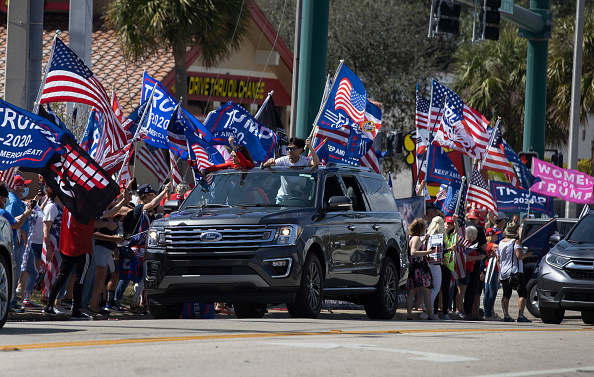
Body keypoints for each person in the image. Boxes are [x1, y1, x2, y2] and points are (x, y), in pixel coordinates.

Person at [5, 175, 33, 310]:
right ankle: (11, 302)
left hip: (21, 240)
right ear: (15, 186)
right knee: (14, 272)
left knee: (18, 270)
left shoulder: (18, 201)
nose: (25, 188)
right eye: (23, 185)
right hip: (16, 240)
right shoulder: (13, 202)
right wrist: (21, 230)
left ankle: (13, 301)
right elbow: (11, 221)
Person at [497, 221, 532, 323]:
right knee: (522, 293)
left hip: (504, 271)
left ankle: (506, 315)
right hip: (515, 271)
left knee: (506, 294)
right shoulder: (515, 242)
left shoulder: (501, 243)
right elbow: (519, 256)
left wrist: (499, 273)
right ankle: (520, 316)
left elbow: (498, 259)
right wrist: (526, 255)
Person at [406, 218, 438, 321]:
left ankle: (409, 315)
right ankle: (430, 315)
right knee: (427, 292)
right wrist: (428, 252)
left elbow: (416, 247)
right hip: (420, 268)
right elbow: (413, 252)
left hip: (414, 267)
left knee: (412, 292)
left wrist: (424, 240)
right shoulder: (416, 238)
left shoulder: (413, 238)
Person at [21, 191, 47, 308]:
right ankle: (23, 294)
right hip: (31, 242)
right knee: (28, 270)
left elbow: (41, 213)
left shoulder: (40, 208)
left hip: (39, 242)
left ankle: (26, 297)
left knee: (34, 270)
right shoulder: (28, 208)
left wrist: (43, 200)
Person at [464, 208, 488, 320]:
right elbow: (484, 247)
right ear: (477, 219)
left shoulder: (462, 225)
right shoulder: (479, 229)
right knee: (471, 287)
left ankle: (457, 309)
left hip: (460, 260)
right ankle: (468, 311)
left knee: (459, 287)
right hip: (474, 260)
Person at [424, 216, 445, 319]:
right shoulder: (438, 235)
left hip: (427, 262)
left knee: (430, 288)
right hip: (435, 263)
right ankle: (426, 309)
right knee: (436, 288)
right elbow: (440, 251)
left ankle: (427, 310)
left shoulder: (429, 235)